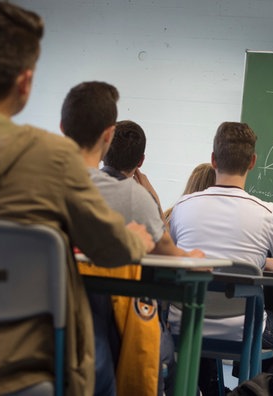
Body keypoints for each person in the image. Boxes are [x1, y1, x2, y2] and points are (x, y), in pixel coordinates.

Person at [0, 4, 154, 395]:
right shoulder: (52, 157)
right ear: (25, 83)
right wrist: (137, 239)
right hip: (22, 368)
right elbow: (110, 249)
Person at [60, 81, 203, 396]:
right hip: (92, 339)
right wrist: (189, 256)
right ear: (107, 136)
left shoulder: (27, 183)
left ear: (61, 127)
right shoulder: (130, 197)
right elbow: (168, 254)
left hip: (21, 330)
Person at [168, 122, 273, 395]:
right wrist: (268, 263)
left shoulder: (182, 208)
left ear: (213, 160)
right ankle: (253, 390)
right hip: (241, 326)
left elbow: (174, 259)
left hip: (184, 319)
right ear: (253, 162)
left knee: (202, 325)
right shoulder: (266, 212)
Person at [103, 120, 164, 217]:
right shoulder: (142, 202)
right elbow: (163, 231)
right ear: (141, 161)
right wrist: (154, 201)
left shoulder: (80, 184)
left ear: (103, 151)